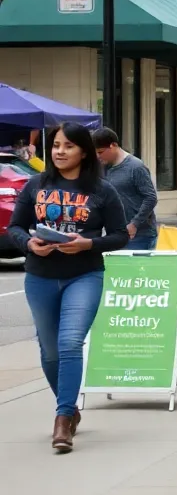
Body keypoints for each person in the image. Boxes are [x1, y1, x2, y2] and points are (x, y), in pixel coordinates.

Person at [7, 122, 129, 452]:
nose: (60, 151)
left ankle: (62, 420)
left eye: (68, 146)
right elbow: (15, 228)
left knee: (70, 342)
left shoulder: (103, 191)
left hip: (84, 275)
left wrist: (88, 244)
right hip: (40, 275)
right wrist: (30, 244)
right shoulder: (35, 185)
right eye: (56, 145)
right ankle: (70, 408)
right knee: (50, 351)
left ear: (84, 152)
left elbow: (120, 235)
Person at [92, 128, 159, 250]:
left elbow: (151, 198)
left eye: (100, 152)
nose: (98, 156)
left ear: (113, 145)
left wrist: (134, 224)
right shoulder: (102, 168)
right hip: (114, 233)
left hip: (139, 236)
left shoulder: (136, 167)